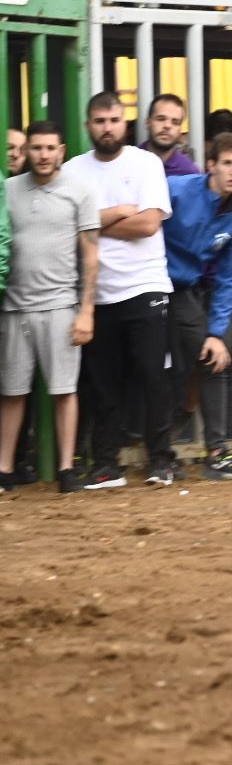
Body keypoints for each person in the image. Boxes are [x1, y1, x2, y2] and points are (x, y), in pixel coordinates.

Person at [63, 92, 174, 489]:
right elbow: (67, 229)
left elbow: (148, 225)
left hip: (145, 287)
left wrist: (92, 224)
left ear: (125, 123)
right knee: (102, 384)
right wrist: (119, 212)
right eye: (99, 121)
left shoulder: (146, 163)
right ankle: (107, 464)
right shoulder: (73, 170)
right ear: (88, 125)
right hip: (97, 293)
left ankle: (162, 460)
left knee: (152, 377)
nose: (107, 127)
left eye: (113, 120)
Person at [0, 122, 94, 493]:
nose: (42, 154)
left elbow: (91, 256)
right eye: (35, 148)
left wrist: (86, 311)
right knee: (11, 391)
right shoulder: (7, 190)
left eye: (49, 148)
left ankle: (66, 470)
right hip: (14, 308)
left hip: (60, 305)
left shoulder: (80, 193)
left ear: (62, 150)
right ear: (25, 151)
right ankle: (4, 469)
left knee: (64, 389)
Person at [163, 133, 232, 480]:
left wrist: (217, 333)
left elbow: (231, 279)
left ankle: (216, 454)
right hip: (147, 284)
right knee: (145, 367)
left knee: (213, 357)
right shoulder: (176, 189)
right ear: (211, 165)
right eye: (228, 163)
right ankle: (152, 449)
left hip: (186, 290)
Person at [141, 94, 200, 177]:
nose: (167, 125)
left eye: (175, 122)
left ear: (180, 130)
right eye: (161, 119)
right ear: (147, 123)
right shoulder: (129, 162)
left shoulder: (189, 173)